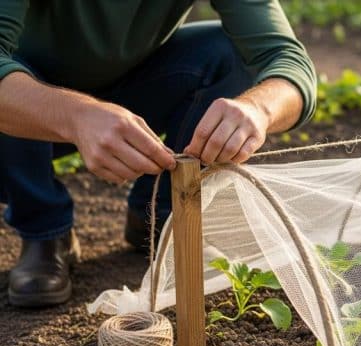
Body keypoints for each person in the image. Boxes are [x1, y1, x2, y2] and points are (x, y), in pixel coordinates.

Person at [0, 1, 317, 307]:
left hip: (133, 82)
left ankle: (160, 215)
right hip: (29, 107)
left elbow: (286, 59)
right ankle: (43, 226)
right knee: (12, 73)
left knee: (230, 55)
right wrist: (77, 116)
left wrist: (258, 108)